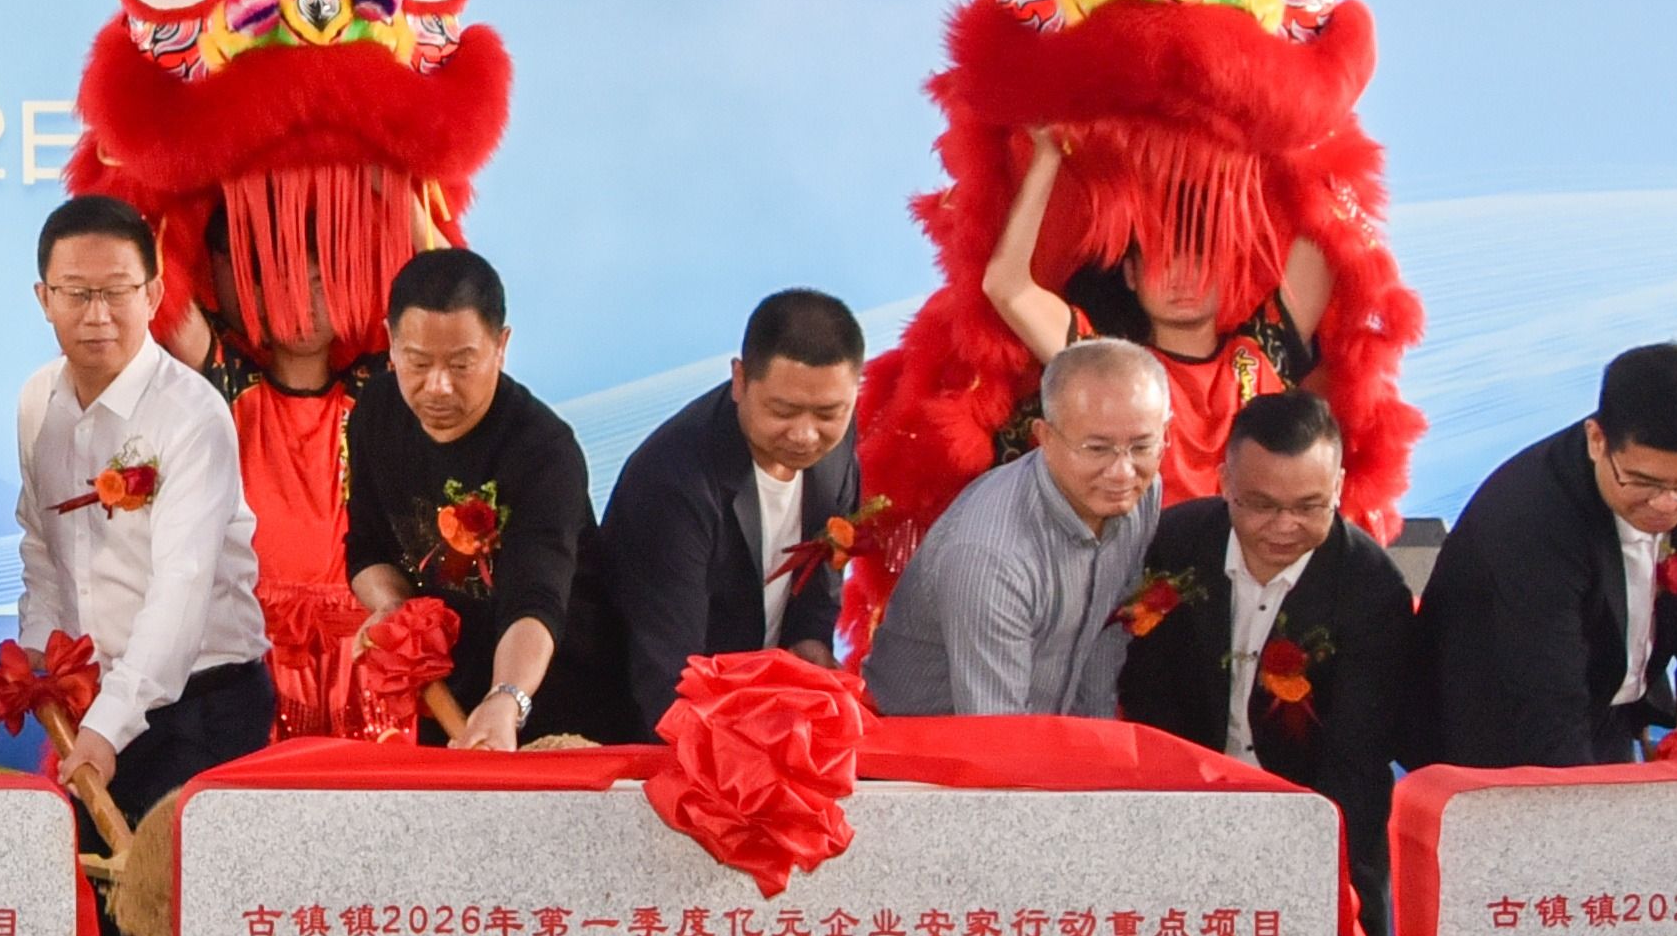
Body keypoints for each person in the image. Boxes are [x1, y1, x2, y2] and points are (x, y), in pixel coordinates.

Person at [1112, 390, 1420, 936]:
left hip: (1317, 826)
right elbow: (1147, 695)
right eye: (1260, 504)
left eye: (1309, 506)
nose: (1283, 527)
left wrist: (1304, 869)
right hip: (1186, 812)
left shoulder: (1372, 592)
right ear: (1225, 481)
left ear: (1339, 486)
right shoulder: (1176, 544)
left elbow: (1357, 765)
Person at [13, 192, 266, 813]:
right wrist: (41, 655)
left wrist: (108, 726)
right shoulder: (37, 400)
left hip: (202, 706)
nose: (97, 315)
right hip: (96, 703)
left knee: (175, 877)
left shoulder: (193, 414)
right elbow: (41, 547)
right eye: (76, 293)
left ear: (153, 295)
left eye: (117, 292)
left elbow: (182, 586)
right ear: (44, 299)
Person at [1417, 343, 1677, 767]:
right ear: (1598, 440)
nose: (1666, 504)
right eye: (1641, 482)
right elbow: (1550, 711)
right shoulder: (1530, 519)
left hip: (1605, 698)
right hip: (1497, 724)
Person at [556, 287, 866, 741]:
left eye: (828, 413)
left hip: (762, 717)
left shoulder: (835, 443)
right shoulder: (673, 481)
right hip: (646, 729)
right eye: (783, 410)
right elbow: (667, 681)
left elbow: (818, 587)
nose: (805, 435)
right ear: (739, 380)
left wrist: (811, 649)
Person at [979, 122, 1335, 506]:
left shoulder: (1263, 353)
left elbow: (1328, 222)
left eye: (1198, 258)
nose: (1181, 277)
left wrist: (1300, 124)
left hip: (1254, 542)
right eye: (1161, 261)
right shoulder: (1106, 365)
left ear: (1227, 269)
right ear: (1131, 274)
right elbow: (1007, 286)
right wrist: (1047, 155)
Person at [343, 247, 593, 751]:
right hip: (452, 702)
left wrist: (506, 698)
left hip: (554, 699)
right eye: (417, 362)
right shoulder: (376, 414)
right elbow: (366, 548)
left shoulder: (544, 451)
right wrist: (394, 607)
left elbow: (536, 600)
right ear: (391, 342)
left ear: (501, 346)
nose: (437, 387)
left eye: (461, 364)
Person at [860, 337, 1164, 720]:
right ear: (1045, 438)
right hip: (929, 745)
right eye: (1097, 449)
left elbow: (1106, 638)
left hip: (1040, 730)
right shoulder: (990, 554)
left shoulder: (1142, 493)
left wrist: (1098, 743)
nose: (1122, 472)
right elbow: (995, 732)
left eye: (1142, 447)